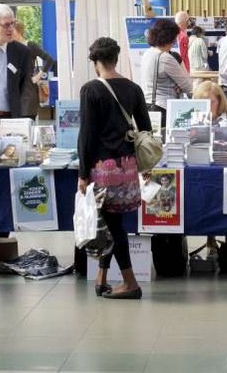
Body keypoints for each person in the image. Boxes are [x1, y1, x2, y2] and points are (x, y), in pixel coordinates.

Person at [77, 37, 152, 300]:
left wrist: (83, 173)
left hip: (102, 169)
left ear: (96, 62)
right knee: (113, 222)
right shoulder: (133, 88)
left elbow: (86, 135)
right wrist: (146, 166)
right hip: (128, 167)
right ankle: (101, 277)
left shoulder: (90, 90)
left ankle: (130, 283)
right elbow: (145, 129)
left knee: (113, 227)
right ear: (116, 58)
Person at [141, 19, 193, 121]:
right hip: (164, 108)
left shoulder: (147, 54)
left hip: (148, 106)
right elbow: (188, 86)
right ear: (170, 38)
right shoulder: (165, 58)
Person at [12, 22, 56, 118]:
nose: (10, 33)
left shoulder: (30, 46)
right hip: (15, 92)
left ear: (19, 31)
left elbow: (49, 59)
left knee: (27, 119)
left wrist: (38, 76)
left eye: (12, 30)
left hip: (28, 91)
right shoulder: (11, 48)